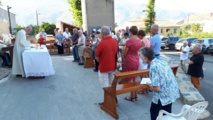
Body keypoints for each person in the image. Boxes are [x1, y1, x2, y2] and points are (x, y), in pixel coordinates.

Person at [138, 47, 180, 120]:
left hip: (163, 96)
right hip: (171, 92)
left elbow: (156, 88)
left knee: (154, 112)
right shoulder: (162, 62)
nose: (140, 59)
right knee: (166, 113)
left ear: (145, 58)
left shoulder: (154, 67)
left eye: (141, 57)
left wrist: (148, 85)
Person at [95, 26, 118, 105]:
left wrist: (101, 61)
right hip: (112, 66)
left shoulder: (101, 43)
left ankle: (109, 102)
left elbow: (97, 57)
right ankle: (114, 99)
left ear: (102, 33)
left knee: (105, 85)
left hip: (104, 67)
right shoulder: (114, 41)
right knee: (111, 84)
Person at [122, 26, 142, 101]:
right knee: (134, 78)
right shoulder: (139, 41)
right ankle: (135, 95)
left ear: (131, 32)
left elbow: (124, 52)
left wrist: (123, 57)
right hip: (136, 59)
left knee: (130, 78)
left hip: (129, 60)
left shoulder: (129, 41)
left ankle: (132, 96)